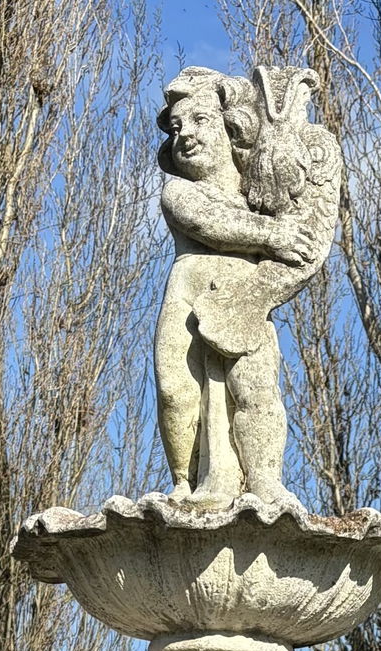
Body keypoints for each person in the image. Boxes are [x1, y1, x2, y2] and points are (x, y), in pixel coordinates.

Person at [154, 66, 341, 507]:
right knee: (176, 390)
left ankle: (263, 479)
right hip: (187, 296)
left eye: (200, 120)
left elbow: (303, 235)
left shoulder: (255, 194)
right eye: (177, 127)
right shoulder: (178, 192)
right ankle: (184, 480)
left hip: (246, 297)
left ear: (230, 126)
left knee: (255, 388)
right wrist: (270, 235)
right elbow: (209, 222)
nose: (186, 134)